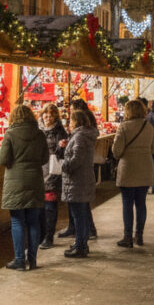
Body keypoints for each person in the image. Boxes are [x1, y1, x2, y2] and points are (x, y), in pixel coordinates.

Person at [0, 104, 48, 270]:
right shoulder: (40, 134)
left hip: (15, 182)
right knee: (33, 221)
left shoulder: (10, 134)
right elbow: (44, 158)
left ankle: (19, 260)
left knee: (17, 221)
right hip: (35, 180)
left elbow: (3, 159)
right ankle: (32, 260)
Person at [112, 99, 154, 247]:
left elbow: (116, 151)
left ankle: (127, 237)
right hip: (145, 168)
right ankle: (139, 235)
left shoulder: (123, 127)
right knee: (141, 203)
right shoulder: (148, 126)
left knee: (127, 204)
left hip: (128, 169)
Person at [61, 109, 99, 258]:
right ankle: (80, 243)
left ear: (76, 121)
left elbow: (77, 159)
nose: (69, 124)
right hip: (82, 180)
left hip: (77, 181)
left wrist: (64, 165)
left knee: (79, 215)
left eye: (71, 121)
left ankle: (81, 246)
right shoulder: (84, 136)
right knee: (80, 214)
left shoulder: (80, 137)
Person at [39, 103, 67, 250]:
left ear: (55, 116)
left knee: (50, 205)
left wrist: (60, 147)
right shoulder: (37, 129)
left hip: (53, 171)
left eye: (51, 115)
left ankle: (48, 237)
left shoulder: (60, 131)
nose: (47, 117)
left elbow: (63, 154)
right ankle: (41, 234)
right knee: (40, 206)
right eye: (45, 114)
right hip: (38, 170)